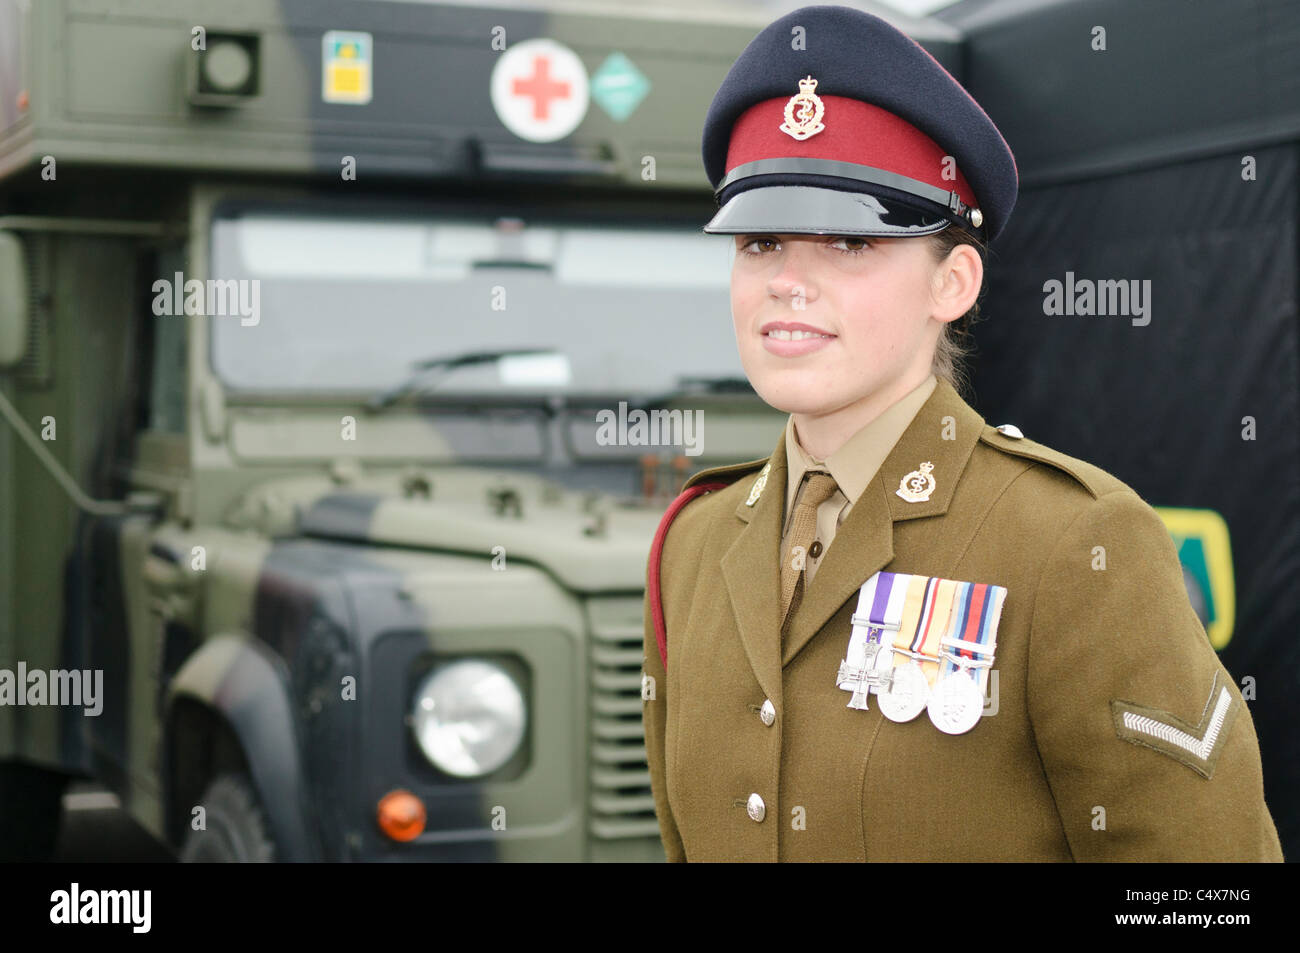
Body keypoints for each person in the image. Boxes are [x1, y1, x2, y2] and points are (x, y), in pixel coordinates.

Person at [640, 4, 1283, 862]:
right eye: (760, 242)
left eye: (846, 241)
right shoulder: (694, 540)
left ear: (954, 282)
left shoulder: (1073, 543)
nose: (788, 282)